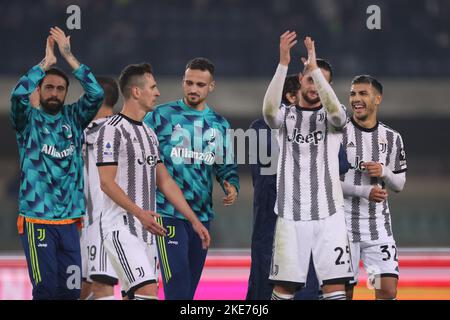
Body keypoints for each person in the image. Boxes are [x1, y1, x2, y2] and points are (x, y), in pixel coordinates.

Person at [95, 63, 210, 300]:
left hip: (147, 232)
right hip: (120, 227)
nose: (158, 93)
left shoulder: (149, 133)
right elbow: (106, 183)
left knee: (134, 295)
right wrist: (140, 213)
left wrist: (194, 220)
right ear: (136, 91)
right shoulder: (111, 130)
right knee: (148, 291)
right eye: (153, 87)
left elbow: (165, 181)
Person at [10, 27, 104, 299]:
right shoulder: (27, 122)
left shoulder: (74, 118)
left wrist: (68, 56)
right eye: (48, 87)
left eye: (60, 89)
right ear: (39, 90)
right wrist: (46, 64)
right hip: (37, 219)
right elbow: (17, 96)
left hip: (69, 222)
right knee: (45, 289)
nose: (54, 93)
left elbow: (96, 94)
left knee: (71, 292)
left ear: (66, 93)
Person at [263, 31, 353, 300]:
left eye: (322, 82)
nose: (315, 86)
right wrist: (282, 63)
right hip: (291, 214)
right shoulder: (286, 116)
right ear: (300, 81)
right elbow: (268, 112)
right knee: (284, 288)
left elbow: (336, 113)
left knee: (335, 286)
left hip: (330, 214)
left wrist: (314, 68)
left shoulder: (335, 118)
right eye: (310, 80)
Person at [144, 57, 240, 300]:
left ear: (211, 86)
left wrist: (231, 185)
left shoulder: (219, 125)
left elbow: (225, 166)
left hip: (201, 216)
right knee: (176, 287)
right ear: (182, 82)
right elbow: (139, 158)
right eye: (189, 83)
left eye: (200, 84)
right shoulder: (159, 117)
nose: (193, 89)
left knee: (187, 292)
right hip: (167, 214)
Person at [341, 75, 407, 300]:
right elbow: (325, 180)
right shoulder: (338, 133)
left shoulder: (392, 138)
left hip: (377, 231)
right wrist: (363, 191)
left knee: (385, 290)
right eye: (353, 94)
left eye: (362, 93)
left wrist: (384, 172)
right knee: (344, 292)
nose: (356, 99)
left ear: (378, 99)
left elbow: (399, 184)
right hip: (342, 229)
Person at [80, 77, 120, 300]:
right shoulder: (87, 130)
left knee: (102, 288)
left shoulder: (108, 130)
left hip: (104, 222)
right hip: (86, 224)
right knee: (84, 290)